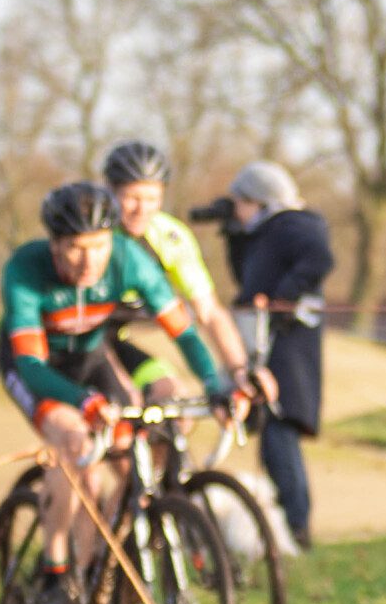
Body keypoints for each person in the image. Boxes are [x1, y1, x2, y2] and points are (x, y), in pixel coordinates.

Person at [0, 181, 232, 604]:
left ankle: (91, 575)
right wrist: (80, 403)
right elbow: (30, 365)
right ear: (54, 244)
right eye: (74, 248)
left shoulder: (129, 260)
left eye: (100, 246)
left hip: (91, 360)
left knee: (130, 457)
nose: (89, 262)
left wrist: (215, 384)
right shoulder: (26, 269)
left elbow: (183, 330)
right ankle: (54, 571)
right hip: (38, 370)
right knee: (75, 444)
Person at [100, 138, 266, 410]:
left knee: (174, 399)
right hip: (77, 344)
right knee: (120, 404)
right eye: (132, 197)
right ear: (110, 191)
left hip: (115, 340)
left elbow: (210, 313)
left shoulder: (170, 237)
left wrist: (238, 370)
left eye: (152, 198)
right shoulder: (95, 237)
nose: (142, 209)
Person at [224, 163, 333, 551]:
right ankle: (292, 529)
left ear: (259, 200)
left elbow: (319, 258)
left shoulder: (293, 224)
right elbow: (248, 280)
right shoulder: (268, 233)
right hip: (273, 345)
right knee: (275, 442)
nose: (235, 210)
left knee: (279, 438)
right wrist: (234, 236)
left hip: (287, 354)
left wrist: (282, 299)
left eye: (239, 203)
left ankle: (297, 528)